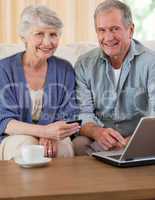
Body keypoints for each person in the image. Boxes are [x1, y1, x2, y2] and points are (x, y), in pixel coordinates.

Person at [73, 0, 155, 155]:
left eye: (114, 29)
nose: (108, 37)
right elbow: (83, 113)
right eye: (101, 30)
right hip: (101, 140)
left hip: (140, 138)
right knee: (79, 144)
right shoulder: (84, 64)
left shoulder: (151, 63)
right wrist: (97, 132)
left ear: (130, 30)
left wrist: (132, 141)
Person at [0, 5, 80, 160]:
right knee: (27, 146)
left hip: (55, 136)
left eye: (53, 34)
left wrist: (53, 134)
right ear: (24, 36)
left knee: (62, 147)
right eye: (39, 34)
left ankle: (62, 185)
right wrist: (44, 132)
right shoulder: (3, 69)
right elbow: (3, 120)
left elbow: (70, 114)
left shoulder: (65, 69)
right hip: (13, 137)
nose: (47, 42)